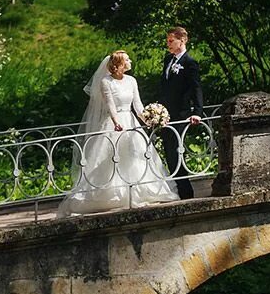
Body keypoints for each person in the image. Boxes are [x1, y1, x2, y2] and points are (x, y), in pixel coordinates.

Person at [57, 51, 178, 217]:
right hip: (115, 123)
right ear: (119, 64)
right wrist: (116, 122)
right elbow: (110, 105)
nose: (130, 61)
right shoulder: (106, 82)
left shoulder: (131, 81)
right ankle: (111, 195)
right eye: (127, 59)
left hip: (131, 121)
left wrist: (151, 118)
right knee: (112, 158)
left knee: (136, 156)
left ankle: (138, 191)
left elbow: (137, 105)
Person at [157, 26, 204, 200]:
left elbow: (196, 87)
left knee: (176, 151)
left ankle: (186, 191)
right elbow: (165, 87)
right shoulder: (168, 59)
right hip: (166, 115)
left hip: (181, 114)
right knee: (169, 152)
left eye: (171, 41)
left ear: (182, 40)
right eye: (167, 41)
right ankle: (178, 188)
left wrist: (197, 111)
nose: (168, 44)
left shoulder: (189, 63)